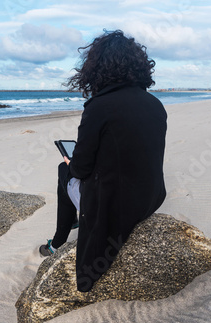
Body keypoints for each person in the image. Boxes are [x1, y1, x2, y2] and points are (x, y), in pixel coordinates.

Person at [39, 30, 167, 293]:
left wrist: (69, 162)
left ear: (96, 69)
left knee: (64, 170)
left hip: (116, 207)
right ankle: (70, 224)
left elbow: (82, 167)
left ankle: (58, 241)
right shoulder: (156, 105)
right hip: (151, 198)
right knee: (75, 172)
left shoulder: (98, 106)